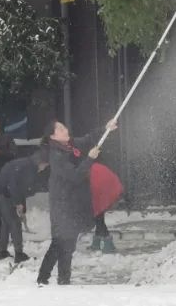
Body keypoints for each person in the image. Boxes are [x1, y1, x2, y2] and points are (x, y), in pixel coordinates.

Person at [37, 118, 117, 286]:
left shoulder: (69, 145)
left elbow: (88, 139)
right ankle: (44, 279)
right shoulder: (57, 155)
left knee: (68, 243)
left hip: (73, 203)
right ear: (53, 136)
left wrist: (106, 128)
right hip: (62, 204)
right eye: (60, 129)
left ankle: (62, 280)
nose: (65, 129)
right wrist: (89, 158)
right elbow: (74, 176)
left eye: (63, 127)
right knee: (60, 243)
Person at [0, 147, 50, 262]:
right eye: (45, 165)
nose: (44, 168)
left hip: (1, 192)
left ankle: (3, 252)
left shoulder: (29, 166)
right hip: (1, 193)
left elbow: (21, 189)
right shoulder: (27, 167)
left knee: (7, 221)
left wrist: (22, 207)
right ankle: (19, 254)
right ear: (41, 161)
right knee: (14, 222)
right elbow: (13, 185)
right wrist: (18, 203)